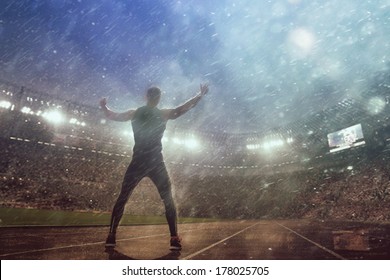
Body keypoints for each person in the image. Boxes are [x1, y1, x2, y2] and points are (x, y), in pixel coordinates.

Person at [99, 83, 209, 250]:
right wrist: (199, 96)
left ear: (146, 97)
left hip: (138, 162)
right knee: (168, 200)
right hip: (155, 162)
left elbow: (113, 116)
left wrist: (104, 106)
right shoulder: (162, 113)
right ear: (158, 99)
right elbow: (182, 109)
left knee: (123, 197)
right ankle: (173, 237)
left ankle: (111, 235)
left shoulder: (134, 113)